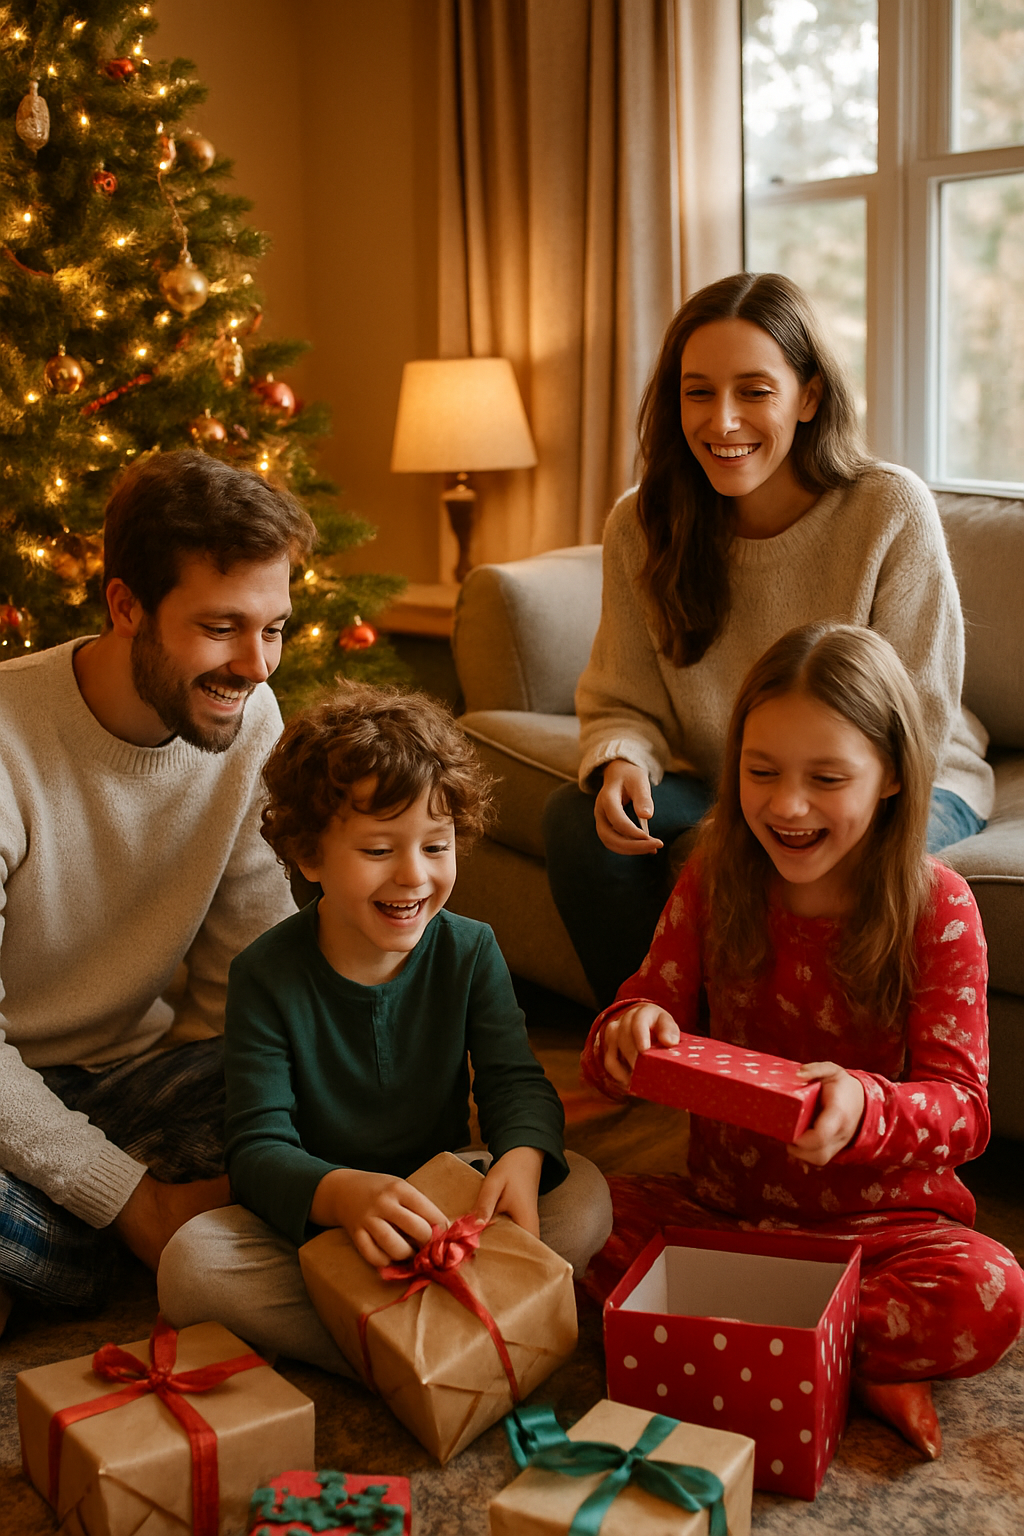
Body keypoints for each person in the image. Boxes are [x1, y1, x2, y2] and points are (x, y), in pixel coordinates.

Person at [580, 622, 1024, 1460]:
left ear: (892, 775)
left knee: (992, 1292)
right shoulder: (714, 873)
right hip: (719, 1213)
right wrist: (628, 1033)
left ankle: (738, 1343)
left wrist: (865, 1106)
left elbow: (964, 1112)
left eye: (827, 779)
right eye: (760, 772)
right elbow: (636, 1014)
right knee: (563, 1220)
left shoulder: (939, 907)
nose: (786, 806)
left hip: (881, 1230)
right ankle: (830, 1356)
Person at [543, 271, 993, 1007]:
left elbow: (917, 712)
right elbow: (621, 696)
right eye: (698, 392)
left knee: (805, 857)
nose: (722, 422)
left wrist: (773, 811)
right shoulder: (641, 524)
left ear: (808, 397)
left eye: (754, 391)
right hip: (731, 773)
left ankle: (792, 1080)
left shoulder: (888, 509)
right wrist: (621, 757)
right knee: (579, 823)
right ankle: (655, 1043)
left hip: (904, 779)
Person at [158, 684, 613, 1372]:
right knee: (191, 1265)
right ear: (309, 857)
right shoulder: (265, 973)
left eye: (436, 845)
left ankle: (401, 1343)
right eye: (378, 850)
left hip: (446, 1203)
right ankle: (435, 1354)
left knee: (583, 1194)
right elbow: (257, 1150)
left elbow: (515, 1082)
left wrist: (520, 1156)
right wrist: (340, 1195)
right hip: (326, 1222)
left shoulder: (472, 949)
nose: (414, 875)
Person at [0, 449, 315, 1323]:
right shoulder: (5, 739)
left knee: (332, 1081)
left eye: (275, 628)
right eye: (221, 627)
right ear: (126, 606)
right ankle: (144, 1239)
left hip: (142, 1075)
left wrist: (287, 1113)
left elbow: (252, 969)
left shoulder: (246, 712)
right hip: (7, 1076)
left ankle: (52, 1266)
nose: (257, 667)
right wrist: (140, 1204)